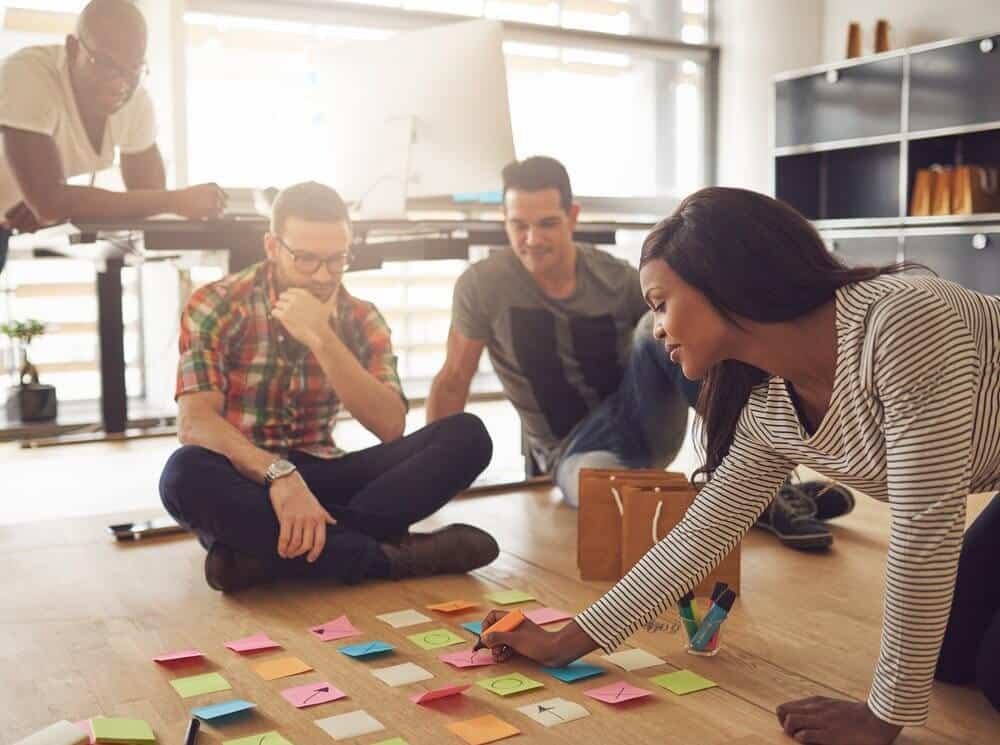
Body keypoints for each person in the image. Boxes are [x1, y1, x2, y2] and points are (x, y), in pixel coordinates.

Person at [477, 187, 1000, 744]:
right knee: (946, 653)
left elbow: (927, 530)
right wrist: (567, 641)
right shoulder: (769, 403)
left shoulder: (900, 322)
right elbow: (700, 537)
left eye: (659, 302)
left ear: (721, 281)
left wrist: (881, 717)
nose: (656, 328)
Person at [427, 156, 852, 549]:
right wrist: (431, 483)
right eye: (518, 225)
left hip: (639, 414)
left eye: (547, 224)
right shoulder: (481, 286)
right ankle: (756, 494)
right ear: (503, 220)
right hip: (574, 452)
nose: (532, 239)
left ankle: (765, 482)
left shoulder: (616, 276)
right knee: (614, 501)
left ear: (573, 218)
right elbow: (453, 378)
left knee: (661, 324)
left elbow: (683, 346)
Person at [159, 181, 498, 593]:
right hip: (247, 478)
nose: (322, 276)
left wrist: (322, 336)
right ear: (272, 247)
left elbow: (390, 425)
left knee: (468, 436)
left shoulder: (361, 317)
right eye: (305, 260)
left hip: (326, 473)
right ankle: (386, 557)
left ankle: (259, 556)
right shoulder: (217, 303)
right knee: (182, 474)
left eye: (336, 260)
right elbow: (195, 423)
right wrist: (278, 475)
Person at [0, 0, 226, 275]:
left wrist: (58, 201)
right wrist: (174, 200)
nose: (119, 83)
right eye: (104, 63)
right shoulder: (28, 75)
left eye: (133, 68)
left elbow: (149, 192)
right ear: (73, 49)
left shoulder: (135, 100)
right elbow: (50, 204)